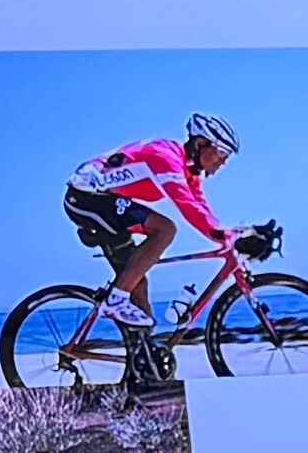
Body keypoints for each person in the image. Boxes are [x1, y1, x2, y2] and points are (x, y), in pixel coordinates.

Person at [65, 106, 244, 333]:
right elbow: (187, 206)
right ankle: (115, 301)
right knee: (165, 229)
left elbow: (201, 207)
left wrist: (232, 234)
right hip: (86, 198)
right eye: (221, 153)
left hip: (105, 202)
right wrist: (225, 236)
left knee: (136, 283)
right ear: (200, 144)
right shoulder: (165, 157)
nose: (223, 162)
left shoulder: (188, 172)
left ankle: (143, 354)